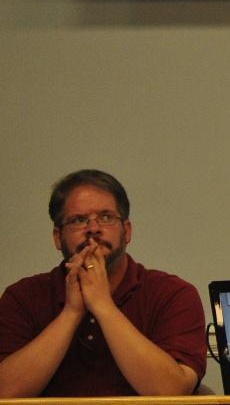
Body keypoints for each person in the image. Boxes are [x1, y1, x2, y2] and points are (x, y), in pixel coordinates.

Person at [0, 169, 207, 397]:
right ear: (58, 238)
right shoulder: (22, 297)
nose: (93, 229)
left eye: (106, 217)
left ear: (126, 231)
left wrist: (103, 305)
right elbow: (5, 392)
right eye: (79, 220)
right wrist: (71, 313)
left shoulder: (173, 294)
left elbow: (172, 391)